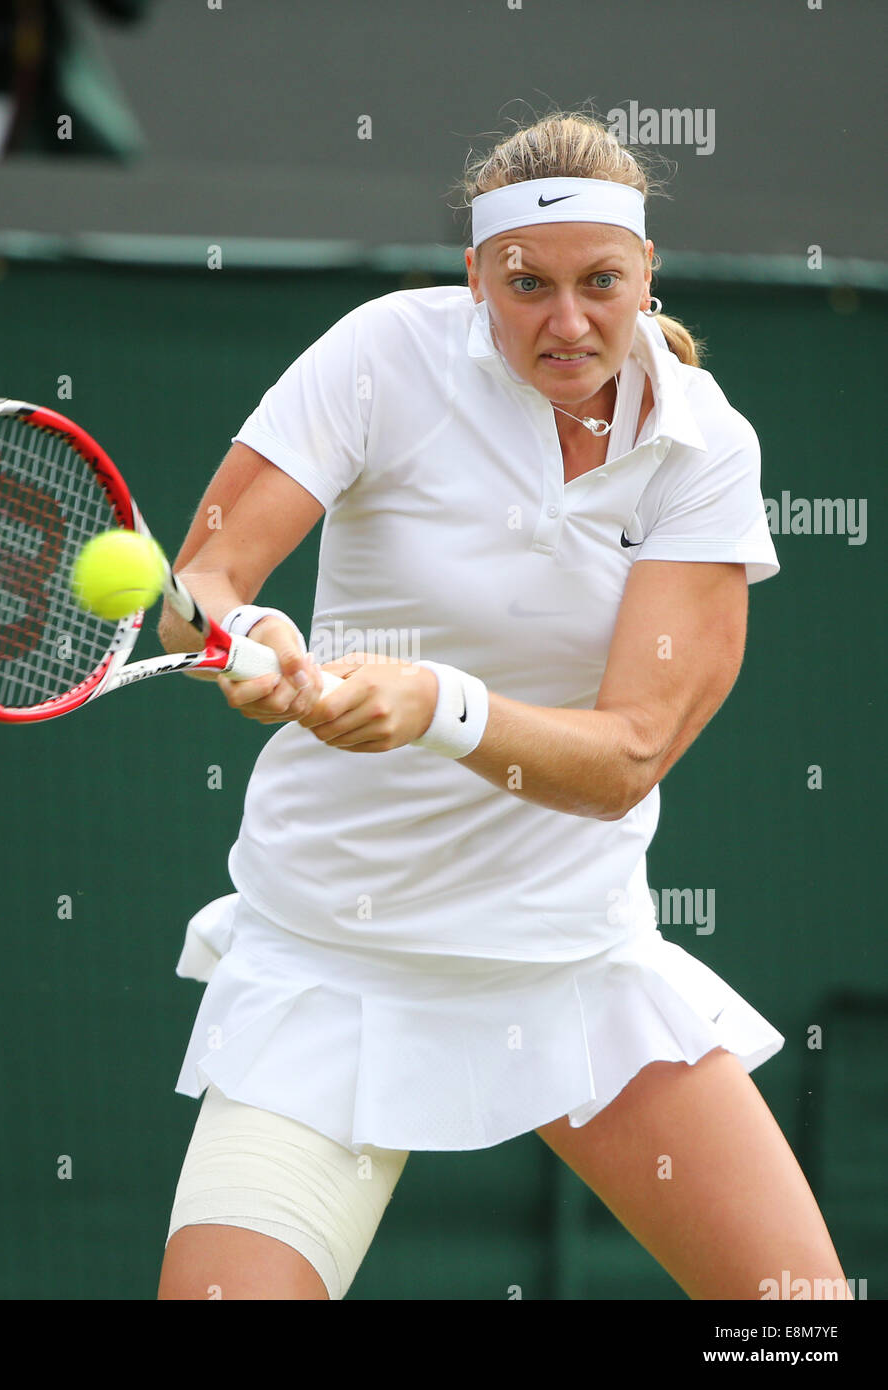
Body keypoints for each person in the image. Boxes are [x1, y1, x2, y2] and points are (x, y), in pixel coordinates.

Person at [155, 112, 852, 1302]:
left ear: (647, 280)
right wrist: (246, 637)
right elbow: (198, 587)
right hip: (329, 960)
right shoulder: (379, 355)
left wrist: (436, 703)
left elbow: (631, 754)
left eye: (601, 284)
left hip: (567, 960)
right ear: (476, 273)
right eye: (527, 284)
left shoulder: (705, 452)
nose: (566, 321)